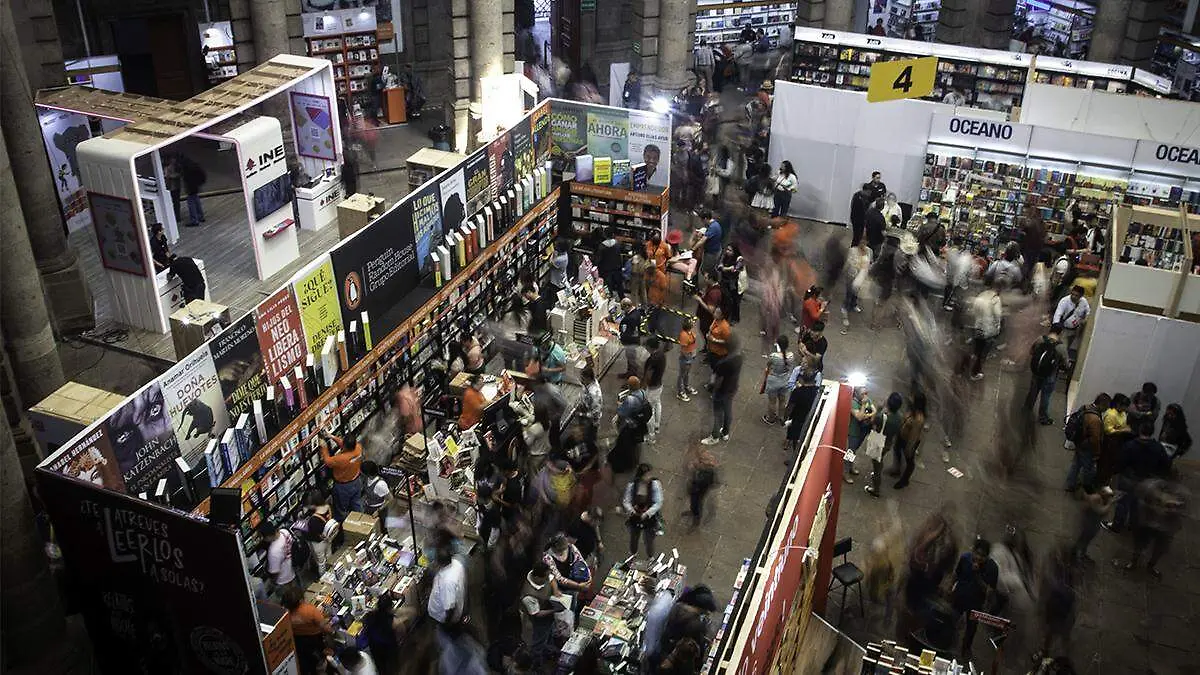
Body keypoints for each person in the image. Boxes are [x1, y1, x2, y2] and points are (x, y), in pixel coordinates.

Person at [1119, 478, 1188, 579]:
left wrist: (1174, 510)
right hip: (1148, 524)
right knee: (1139, 545)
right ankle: (1134, 562)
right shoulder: (1150, 488)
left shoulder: (1181, 495)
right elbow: (1140, 501)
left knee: (1160, 549)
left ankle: (1151, 566)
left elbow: (1184, 512)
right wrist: (1154, 507)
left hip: (1166, 528)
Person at [1107, 423, 1171, 533]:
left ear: (1140, 429)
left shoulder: (1130, 445)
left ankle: (1117, 525)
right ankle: (1133, 525)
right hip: (1146, 481)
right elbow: (1166, 464)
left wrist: (1114, 473)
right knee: (1138, 504)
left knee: (1122, 503)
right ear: (1152, 432)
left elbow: (1121, 463)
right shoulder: (1158, 447)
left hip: (1128, 479)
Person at [951, 538, 999, 659]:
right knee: (952, 620)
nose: (978, 557)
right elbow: (956, 574)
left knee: (971, 628)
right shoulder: (965, 558)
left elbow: (989, 591)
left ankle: (966, 649)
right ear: (973, 551)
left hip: (976, 603)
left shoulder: (992, 568)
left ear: (987, 556)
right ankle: (949, 642)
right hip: (960, 596)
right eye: (977, 553)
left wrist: (977, 575)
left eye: (982, 556)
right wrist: (949, 588)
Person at [282, 585, 332, 675]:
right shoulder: (310, 610)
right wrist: (332, 631)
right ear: (300, 600)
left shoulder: (285, 614)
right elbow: (326, 628)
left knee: (308, 660)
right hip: (314, 640)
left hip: (298, 641)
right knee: (319, 660)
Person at [519, 561, 561, 669]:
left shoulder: (541, 574)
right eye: (545, 578)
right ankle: (536, 664)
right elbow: (536, 614)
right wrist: (555, 610)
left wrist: (556, 590)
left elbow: (552, 578)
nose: (547, 579)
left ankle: (549, 651)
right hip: (536, 622)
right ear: (537, 578)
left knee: (549, 634)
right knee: (537, 643)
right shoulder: (528, 595)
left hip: (547, 612)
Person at [702, 333, 742, 445]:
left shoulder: (723, 363)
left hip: (722, 391)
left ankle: (714, 436)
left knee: (718, 413)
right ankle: (725, 432)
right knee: (728, 410)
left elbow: (717, 379)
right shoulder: (740, 357)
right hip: (732, 388)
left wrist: (712, 388)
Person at [1063, 393, 1108, 493]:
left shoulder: (1085, 407)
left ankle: (1070, 484)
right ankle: (1087, 488)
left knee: (1076, 464)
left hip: (1079, 441)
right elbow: (1095, 438)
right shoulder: (1095, 419)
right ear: (1102, 404)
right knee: (1089, 469)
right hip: (1087, 446)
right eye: (1106, 406)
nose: (1106, 409)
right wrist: (1097, 453)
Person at [1025, 324, 1069, 425]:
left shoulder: (1040, 339)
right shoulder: (1061, 347)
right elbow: (1066, 364)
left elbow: (1031, 351)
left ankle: (1027, 408)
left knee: (1033, 391)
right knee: (1045, 396)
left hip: (1037, 372)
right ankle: (1043, 418)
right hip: (1050, 375)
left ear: (1050, 329)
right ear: (1061, 333)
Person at [319, 430, 364, 521]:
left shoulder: (341, 459)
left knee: (341, 509)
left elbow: (327, 461)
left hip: (343, 487)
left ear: (345, 446)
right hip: (356, 482)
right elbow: (344, 444)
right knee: (357, 504)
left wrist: (324, 447)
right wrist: (331, 437)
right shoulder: (358, 448)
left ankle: (343, 524)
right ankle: (360, 522)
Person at [866, 392, 903, 497]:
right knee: (880, 458)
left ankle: (876, 489)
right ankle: (877, 470)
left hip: (878, 442)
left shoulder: (881, 417)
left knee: (876, 463)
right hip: (888, 442)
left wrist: (878, 409)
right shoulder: (899, 417)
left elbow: (873, 422)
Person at [623, 463, 664, 557]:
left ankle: (650, 557)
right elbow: (626, 500)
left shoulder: (655, 484)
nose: (650, 477)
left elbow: (658, 502)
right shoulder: (632, 485)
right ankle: (633, 555)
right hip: (635, 517)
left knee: (649, 539)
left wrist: (647, 513)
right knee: (634, 538)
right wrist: (632, 510)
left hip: (650, 517)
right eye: (647, 475)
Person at [783, 354, 821, 456]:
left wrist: (785, 416)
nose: (802, 364)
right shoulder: (797, 370)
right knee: (793, 425)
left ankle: (795, 450)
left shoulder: (816, 376)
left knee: (796, 428)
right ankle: (789, 439)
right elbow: (790, 383)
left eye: (805, 363)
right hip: (799, 407)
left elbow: (790, 407)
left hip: (802, 411)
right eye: (802, 362)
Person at [611, 376, 649, 475]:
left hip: (631, 426)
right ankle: (636, 460)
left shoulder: (630, 399)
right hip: (640, 424)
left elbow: (622, 412)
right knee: (637, 444)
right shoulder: (643, 392)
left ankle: (629, 462)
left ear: (629, 386)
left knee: (628, 444)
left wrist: (619, 404)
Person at [968, 277, 1002, 380]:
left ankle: (972, 361)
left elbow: (974, 310)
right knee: (982, 354)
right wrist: (998, 327)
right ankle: (975, 372)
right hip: (988, 330)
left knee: (977, 349)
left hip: (978, 326)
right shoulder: (995, 299)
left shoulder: (982, 294)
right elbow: (998, 315)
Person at [892, 391, 926, 489]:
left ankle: (904, 480)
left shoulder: (919, 419)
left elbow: (914, 436)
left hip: (909, 441)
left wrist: (909, 448)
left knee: (909, 461)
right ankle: (897, 469)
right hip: (902, 436)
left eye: (913, 398)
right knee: (897, 449)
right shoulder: (912, 410)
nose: (910, 398)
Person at [1073, 485, 1114, 563]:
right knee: (1084, 539)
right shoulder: (1095, 498)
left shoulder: (1101, 500)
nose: (1109, 498)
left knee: (1087, 539)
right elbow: (1100, 511)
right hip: (1089, 523)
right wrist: (1109, 504)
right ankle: (1077, 555)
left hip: (1094, 524)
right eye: (1108, 496)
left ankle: (1082, 553)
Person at [300, 492, 339, 575]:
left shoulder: (314, 519)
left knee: (321, 562)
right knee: (329, 555)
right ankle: (332, 572)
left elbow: (312, 533)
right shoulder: (328, 507)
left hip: (318, 543)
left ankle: (324, 577)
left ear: (312, 504)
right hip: (329, 538)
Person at [845, 385, 876, 484]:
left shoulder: (867, 400)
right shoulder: (853, 403)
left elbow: (874, 411)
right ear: (856, 394)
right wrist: (863, 406)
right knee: (850, 451)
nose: (865, 396)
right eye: (862, 394)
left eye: (866, 393)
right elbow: (859, 417)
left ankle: (850, 466)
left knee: (855, 450)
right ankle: (845, 471)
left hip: (863, 431)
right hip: (854, 432)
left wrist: (866, 415)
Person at [841, 239, 872, 335]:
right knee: (849, 293)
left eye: (865, 242)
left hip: (862, 277)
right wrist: (846, 271)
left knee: (856, 292)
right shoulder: (852, 250)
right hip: (852, 276)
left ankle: (853, 304)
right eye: (861, 242)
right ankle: (846, 310)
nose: (863, 244)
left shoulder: (869, 251)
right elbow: (849, 262)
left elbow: (870, 262)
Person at [761, 335, 793, 425]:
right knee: (782, 400)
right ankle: (781, 417)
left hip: (773, 381)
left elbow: (769, 364)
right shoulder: (791, 356)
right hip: (785, 380)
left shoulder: (774, 356)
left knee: (772, 401)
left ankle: (771, 418)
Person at [262, 522, 299, 597]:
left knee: (287, 597)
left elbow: (275, 571)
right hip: (293, 566)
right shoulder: (284, 531)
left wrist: (273, 582)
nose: (264, 539)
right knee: (296, 592)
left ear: (268, 537)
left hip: (283, 579)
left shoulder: (273, 551)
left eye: (264, 537)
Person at [172, 154, 207, 227]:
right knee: (196, 199)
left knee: (191, 202)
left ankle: (194, 220)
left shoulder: (185, 167)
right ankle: (200, 216)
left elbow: (183, 175)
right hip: (195, 184)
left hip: (191, 185)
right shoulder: (192, 164)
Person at [1051, 285, 1090, 352]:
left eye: (1076, 295)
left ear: (1081, 296)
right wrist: (1056, 326)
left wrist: (1085, 319)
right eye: (1072, 294)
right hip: (1064, 330)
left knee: (1069, 346)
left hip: (1075, 330)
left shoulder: (1083, 301)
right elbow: (1058, 314)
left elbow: (1088, 311)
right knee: (1063, 348)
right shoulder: (1064, 301)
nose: (1073, 296)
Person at [642, 338, 667, 443]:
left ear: (650, 347)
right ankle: (657, 426)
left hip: (652, 388)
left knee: (649, 412)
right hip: (659, 385)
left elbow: (649, 374)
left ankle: (651, 436)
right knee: (657, 404)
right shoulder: (662, 355)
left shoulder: (652, 359)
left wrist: (643, 386)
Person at [693, 274, 723, 350]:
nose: (704, 279)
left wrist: (699, 300)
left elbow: (711, 310)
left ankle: (709, 349)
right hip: (704, 317)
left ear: (711, 279)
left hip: (708, 319)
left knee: (707, 334)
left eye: (706, 278)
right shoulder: (711, 286)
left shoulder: (714, 293)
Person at [717, 244, 745, 323]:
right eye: (727, 249)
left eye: (730, 250)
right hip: (724, 281)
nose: (727, 251)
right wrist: (727, 268)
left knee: (734, 301)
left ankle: (734, 318)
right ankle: (724, 316)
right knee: (725, 299)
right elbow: (719, 267)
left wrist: (724, 268)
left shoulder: (739, 259)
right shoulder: (725, 256)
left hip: (734, 283)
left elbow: (735, 269)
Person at [618, 298, 644, 379]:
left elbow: (627, 332)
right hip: (635, 340)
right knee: (631, 359)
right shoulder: (636, 312)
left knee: (631, 359)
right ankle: (630, 374)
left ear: (627, 306)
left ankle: (633, 377)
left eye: (623, 308)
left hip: (630, 342)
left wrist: (620, 336)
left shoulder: (630, 318)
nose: (623, 311)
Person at [677, 317, 699, 401]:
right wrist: (689, 359)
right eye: (692, 322)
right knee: (682, 375)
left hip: (690, 356)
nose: (693, 323)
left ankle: (686, 386)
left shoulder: (691, 332)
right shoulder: (684, 335)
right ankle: (680, 392)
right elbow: (683, 350)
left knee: (687, 373)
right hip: (685, 358)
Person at [697, 209, 723, 276]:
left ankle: (712, 280)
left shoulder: (713, 227)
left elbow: (702, 241)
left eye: (702, 220)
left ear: (705, 219)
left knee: (705, 270)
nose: (701, 222)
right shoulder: (714, 224)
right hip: (714, 250)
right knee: (709, 268)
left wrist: (692, 249)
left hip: (712, 253)